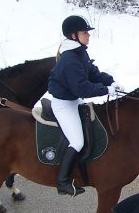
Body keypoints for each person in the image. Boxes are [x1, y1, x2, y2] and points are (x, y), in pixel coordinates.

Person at [48, 15, 124, 196]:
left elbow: (92, 72)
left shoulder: (80, 52)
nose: (88, 36)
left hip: (73, 100)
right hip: (64, 104)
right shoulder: (69, 60)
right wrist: (105, 90)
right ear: (74, 35)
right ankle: (63, 181)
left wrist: (110, 81)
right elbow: (82, 88)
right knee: (77, 141)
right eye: (85, 33)